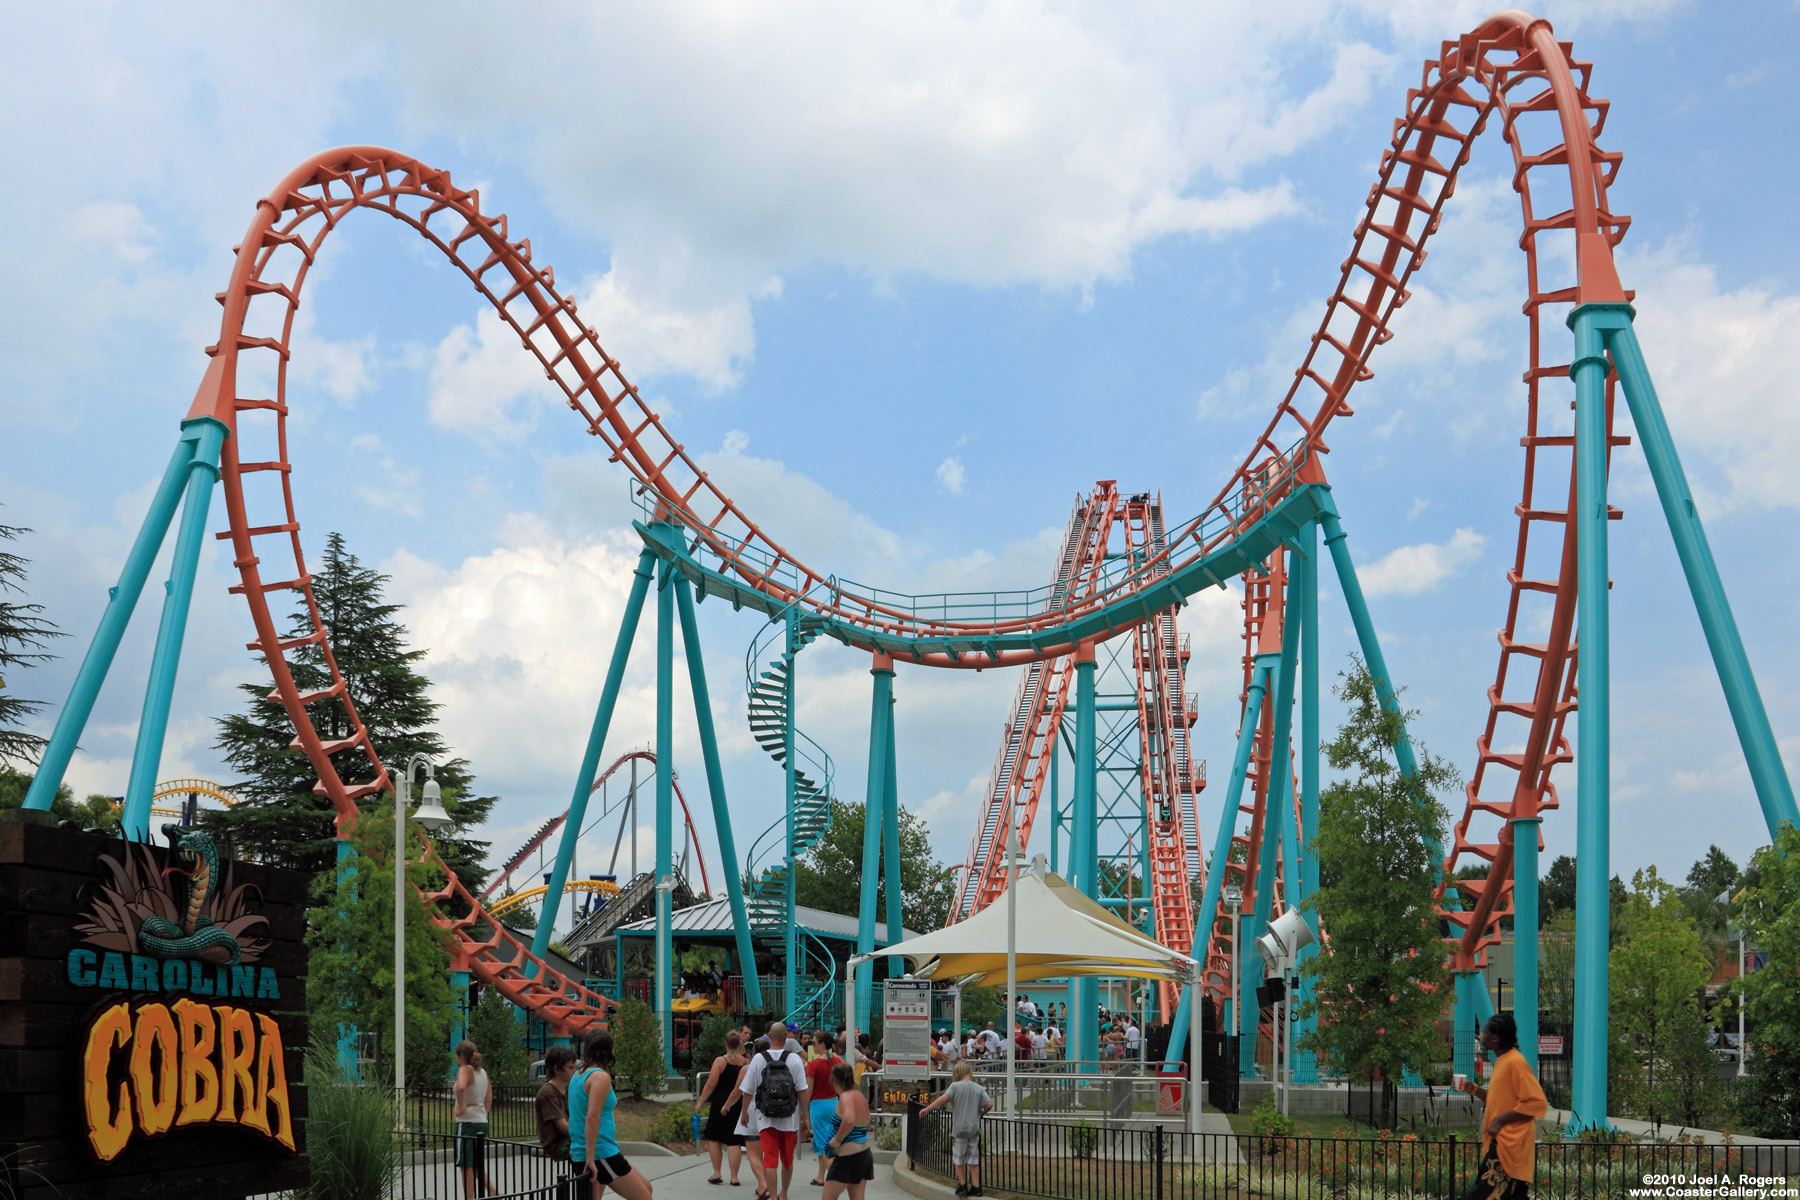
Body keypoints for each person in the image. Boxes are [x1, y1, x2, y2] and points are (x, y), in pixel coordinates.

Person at [1455, 1013, 1547, 1200]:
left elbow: (1536, 1102)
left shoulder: (1515, 1062)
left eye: (1486, 1032)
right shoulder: (1502, 1062)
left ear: (1496, 1037)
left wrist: (1499, 1120)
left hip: (1509, 1146)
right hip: (1503, 1144)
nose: (1482, 1036)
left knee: (1480, 1195)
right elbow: (1500, 1102)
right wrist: (1474, 1090)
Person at [570, 1028, 653, 1200]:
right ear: (608, 1050)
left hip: (598, 1150)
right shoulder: (600, 1077)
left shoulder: (578, 1074)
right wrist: (591, 1159)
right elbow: (592, 1116)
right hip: (599, 1154)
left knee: (647, 1187)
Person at [731, 1019, 810, 1200]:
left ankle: (773, 1196)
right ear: (785, 1036)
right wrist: (805, 1116)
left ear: (769, 1037)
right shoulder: (795, 1059)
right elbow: (802, 1090)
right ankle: (784, 1194)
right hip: (789, 1119)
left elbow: (748, 1091)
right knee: (787, 1160)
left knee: (770, 1159)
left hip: (765, 1118)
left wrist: (744, 1113)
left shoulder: (759, 1059)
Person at [919, 1060, 991, 1197]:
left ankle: (962, 1185)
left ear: (957, 1074)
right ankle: (976, 1187)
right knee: (973, 1159)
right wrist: (981, 1114)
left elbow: (944, 1098)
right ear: (970, 1072)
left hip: (959, 1129)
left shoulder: (955, 1086)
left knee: (959, 1158)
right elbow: (989, 1104)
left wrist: (928, 1108)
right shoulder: (978, 1088)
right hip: (973, 1129)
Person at [697, 1030, 750, 1186]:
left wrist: (700, 1102)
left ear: (726, 1044)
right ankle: (734, 1177)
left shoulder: (720, 1061)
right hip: (738, 1103)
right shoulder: (747, 1062)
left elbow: (710, 1084)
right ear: (740, 1043)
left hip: (720, 1102)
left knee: (714, 1137)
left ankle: (717, 1172)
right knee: (734, 1141)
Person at [819, 1060, 873, 1200]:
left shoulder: (846, 1097)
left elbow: (849, 1119)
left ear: (835, 1080)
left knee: (828, 1197)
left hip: (848, 1157)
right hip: (863, 1154)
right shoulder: (859, 1096)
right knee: (857, 1197)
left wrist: (837, 1140)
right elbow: (867, 1120)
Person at [453, 1039, 494, 1200]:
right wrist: (483, 1113)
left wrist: (461, 1107)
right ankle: (492, 1191)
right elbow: (489, 1097)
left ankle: (469, 1198)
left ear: (460, 1056)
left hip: (467, 1123)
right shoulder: (482, 1073)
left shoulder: (464, 1070)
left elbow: (461, 1087)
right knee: (476, 1164)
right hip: (481, 1122)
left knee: (465, 1165)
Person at [804, 1030, 843, 1187]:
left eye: (813, 1043)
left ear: (821, 1045)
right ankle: (821, 1177)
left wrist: (804, 1112)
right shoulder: (839, 1061)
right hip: (834, 1103)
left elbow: (808, 1090)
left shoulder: (813, 1065)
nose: (812, 1045)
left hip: (818, 1106)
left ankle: (835, 1178)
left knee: (822, 1145)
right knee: (828, 1140)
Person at [535, 1043, 577, 1164]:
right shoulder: (548, 1093)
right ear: (557, 1069)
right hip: (558, 1145)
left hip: (568, 1140)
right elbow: (563, 1127)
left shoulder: (566, 1089)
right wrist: (585, 1135)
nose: (574, 1071)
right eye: (570, 1067)